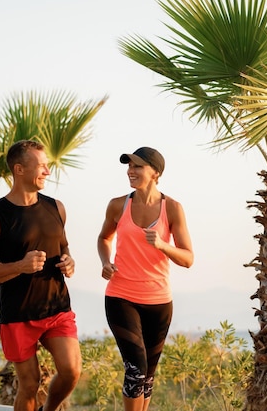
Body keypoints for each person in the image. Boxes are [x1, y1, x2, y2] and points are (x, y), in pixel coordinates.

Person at [0, 140, 81, 411]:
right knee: (30, 384)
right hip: (18, 313)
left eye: (47, 165)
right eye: (41, 166)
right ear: (19, 169)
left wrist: (69, 260)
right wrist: (20, 266)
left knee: (71, 371)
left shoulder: (56, 207)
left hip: (56, 307)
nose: (47, 171)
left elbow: (64, 245)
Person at [97, 146, 194, 411]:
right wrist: (106, 261)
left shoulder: (172, 208)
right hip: (120, 296)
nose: (131, 171)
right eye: (129, 166)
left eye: (138, 166)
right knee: (136, 368)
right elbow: (104, 238)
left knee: (148, 375)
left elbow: (187, 258)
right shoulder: (118, 205)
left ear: (156, 173)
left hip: (159, 301)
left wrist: (163, 245)